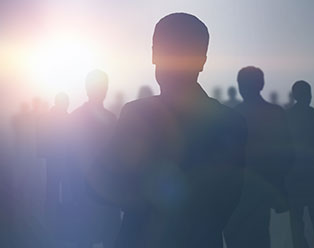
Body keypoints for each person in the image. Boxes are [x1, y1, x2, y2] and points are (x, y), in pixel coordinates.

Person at [89, 13, 247, 248]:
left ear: (154, 54)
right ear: (202, 60)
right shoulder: (229, 121)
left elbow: (103, 183)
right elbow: (229, 198)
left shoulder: (135, 115)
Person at [224, 67, 294, 248]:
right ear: (261, 84)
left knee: (236, 237)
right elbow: (287, 154)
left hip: (238, 190)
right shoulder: (275, 113)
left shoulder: (233, 115)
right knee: (260, 235)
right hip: (264, 186)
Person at [69, 70, 121, 248]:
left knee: (86, 237)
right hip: (102, 189)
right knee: (105, 236)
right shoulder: (111, 119)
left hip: (86, 188)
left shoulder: (75, 118)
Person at [286, 81, 314, 248]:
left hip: (294, 177)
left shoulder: (287, 116)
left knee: (297, 226)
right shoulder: (313, 114)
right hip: (312, 176)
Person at [39, 93, 70, 223]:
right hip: (62, 157)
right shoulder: (67, 118)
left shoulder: (47, 118)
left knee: (52, 186)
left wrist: (43, 153)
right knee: (63, 187)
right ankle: (59, 216)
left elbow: (42, 137)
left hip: (53, 157)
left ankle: (50, 216)